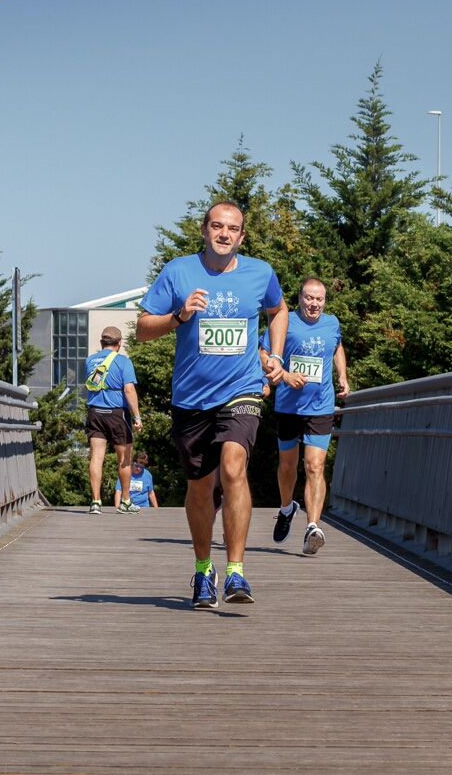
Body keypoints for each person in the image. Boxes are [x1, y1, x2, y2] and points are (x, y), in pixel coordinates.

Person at [136, 200, 287, 608]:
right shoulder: (178, 271)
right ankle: (204, 569)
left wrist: (274, 356)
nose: (224, 234)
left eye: (232, 228)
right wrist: (178, 317)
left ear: (242, 235)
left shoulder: (261, 273)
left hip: (242, 390)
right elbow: (142, 330)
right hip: (191, 399)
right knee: (201, 490)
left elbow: (277, 310)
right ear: (204, 230)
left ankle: (236, 572)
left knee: (234, 466)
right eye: (217, 226)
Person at [259, 277, 349, 554]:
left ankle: (313, 526)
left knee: (314, 467)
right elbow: (263, 353)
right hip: (288, 406)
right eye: (309, 298)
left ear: (325, 300)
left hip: (321, 405)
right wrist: (284, 375)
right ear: (299, 298)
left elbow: (337, 347)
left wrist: (342, 375)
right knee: (288, 466)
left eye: (319, 299)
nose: (314, 304)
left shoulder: (332, 323)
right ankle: (287, 509)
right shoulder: (285, 322)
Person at [83, 326, 143, 514]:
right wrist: (137, 416)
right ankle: (125, 501)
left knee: (96, 457)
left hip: (95, 413)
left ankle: (95, 502)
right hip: (117, 414)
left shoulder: (90, 361)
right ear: (119, 344)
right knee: (124, 459)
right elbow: (129, 389)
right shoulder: (124, 362)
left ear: (101, 343)